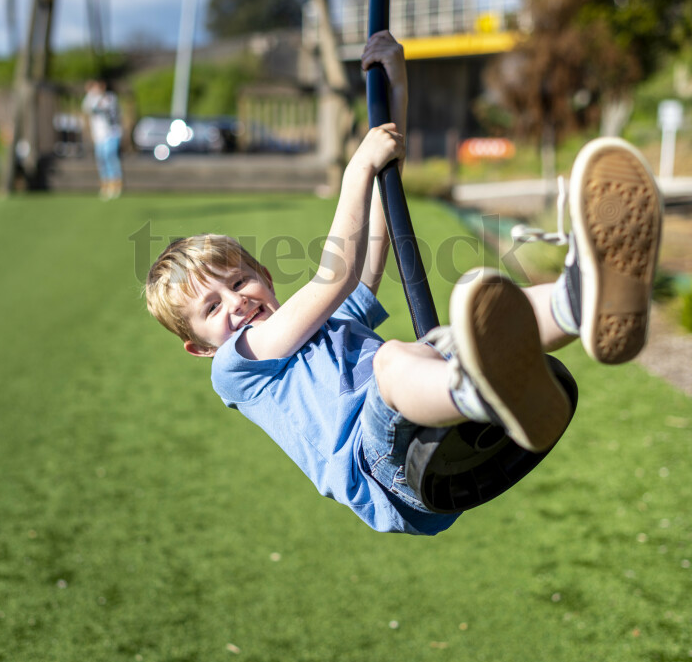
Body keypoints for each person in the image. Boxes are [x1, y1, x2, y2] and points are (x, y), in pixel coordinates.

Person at [145, 31, 662, 536]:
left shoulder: (335, 322)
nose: (236, 303)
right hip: (388, 472)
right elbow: (335, 276)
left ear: (265, 277)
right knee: (395, 358)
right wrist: (355, 171)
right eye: (212, 307)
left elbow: (377, 229)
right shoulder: (237, 368)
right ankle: (484, 386)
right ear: (201, 348)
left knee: (469, 326)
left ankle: (588, 300)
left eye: (239, 281)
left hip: (442, 444)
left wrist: (397, 93)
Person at [82, 79, 123, 199]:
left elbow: (106, 109)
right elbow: (86, 107)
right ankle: (105, 185)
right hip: (99, 136)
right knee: (101, 159)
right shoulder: (91, 99)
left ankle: (115, 184)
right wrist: (89, 93)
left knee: (110, 156)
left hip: (111, 133)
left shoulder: (109, 98)